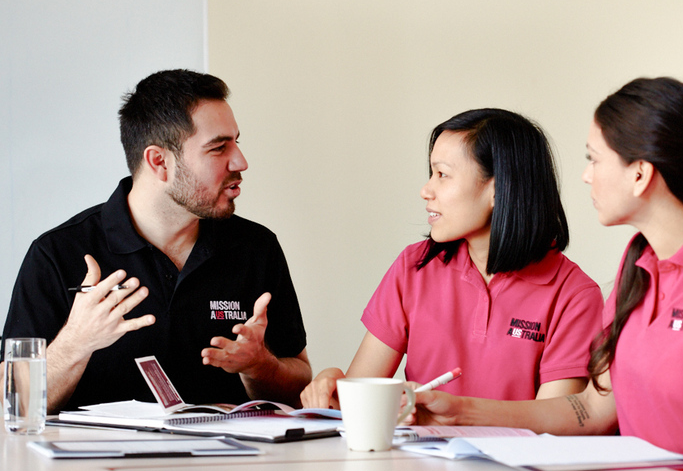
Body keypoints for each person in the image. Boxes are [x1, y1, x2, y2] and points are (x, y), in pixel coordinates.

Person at [413, 78, 683, 471]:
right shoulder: (639, 263)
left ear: (640, 174)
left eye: (594, 159)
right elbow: (592, 410)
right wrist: (460, 412)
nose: (586, 175)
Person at [2, 69, 312, 412]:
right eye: (219, 148)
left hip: (227, 462)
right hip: (96, 465)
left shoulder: (256, 247)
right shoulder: (59, 253)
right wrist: (75, 343)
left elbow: (298, 384)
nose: (240, 161)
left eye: (237, 142)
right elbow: (10, 405)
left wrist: (260, 366)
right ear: (159, 161)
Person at [302, 108, 603, 408]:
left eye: (442, 174)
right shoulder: (413, 267)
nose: (426, 190)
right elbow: (358, 404)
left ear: (497, 190)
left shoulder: (575, 296)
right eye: (431, 173)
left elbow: (555, 424)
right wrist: (330, 382)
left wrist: (458, 414)